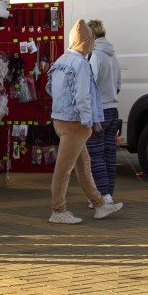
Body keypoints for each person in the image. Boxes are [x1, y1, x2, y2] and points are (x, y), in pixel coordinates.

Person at [46, 20, 123, 224]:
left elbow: (50, 87)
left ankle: (99, 204)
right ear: (86, 41)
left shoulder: (62, 59)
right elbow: (83, 96)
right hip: (75, 123)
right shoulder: (80, 63)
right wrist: (89, 121)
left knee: (83, 165)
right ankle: (58, 210)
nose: (92, 44)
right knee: (64, 169)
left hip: (61, 118)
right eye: (90, 40)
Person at [85, 19, 122, 204]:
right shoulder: (113, 56)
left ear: (91, 35)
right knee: (109, 154)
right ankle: (108, 194)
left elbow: (89, 85)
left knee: (95, 154)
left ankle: (102, 195)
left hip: (99, 112)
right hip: (113, 109)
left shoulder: (94, 57)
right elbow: (118, 86)